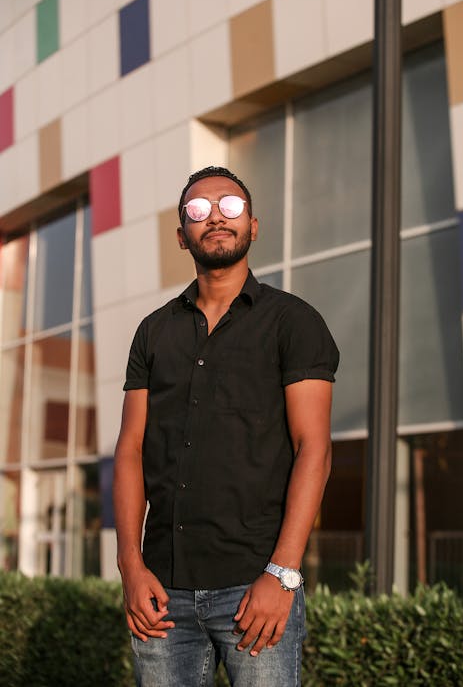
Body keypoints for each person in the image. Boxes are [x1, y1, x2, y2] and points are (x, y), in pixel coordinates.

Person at [113, 166, 339, 687]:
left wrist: (282, 574)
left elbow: (314, 450)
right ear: (181, 235)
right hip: (161, 593)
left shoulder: (293, 322)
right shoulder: (154, 331)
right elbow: (130, 450)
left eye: (230, 207)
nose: (215, 217)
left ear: (253, 226)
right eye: (198, 210)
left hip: (255, 586)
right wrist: (130, 564)